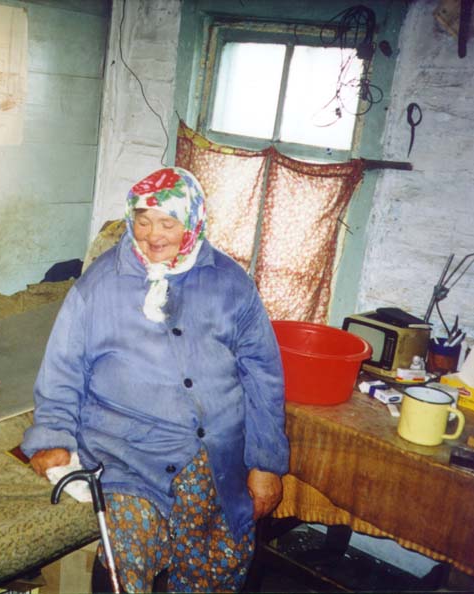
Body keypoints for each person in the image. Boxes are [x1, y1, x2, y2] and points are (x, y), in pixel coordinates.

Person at [21, 167, 289, 593]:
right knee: (125, 567)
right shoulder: (100, 284)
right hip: (127, 452)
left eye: (167, 222)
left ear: (193, 221)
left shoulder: (230, 283)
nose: (152, 235)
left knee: (216, 566)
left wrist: (265, 464)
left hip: (213, 453)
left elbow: (262, 375)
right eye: (143, 221)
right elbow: (63, 366)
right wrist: (53, 436)